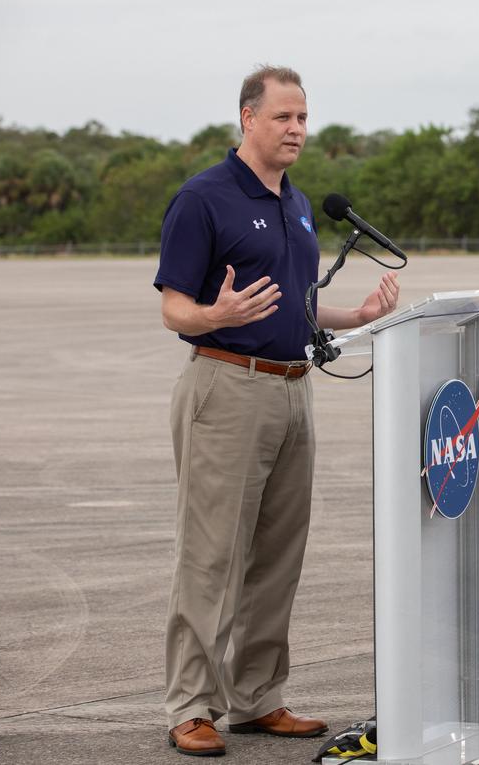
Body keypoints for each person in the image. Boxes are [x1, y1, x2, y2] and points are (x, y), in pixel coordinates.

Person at [154, 65, 400, 757]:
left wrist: (359, 313)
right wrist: (214, 313)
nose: (296, 129)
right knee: (211, 557)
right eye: (284, 117)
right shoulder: (204, 199)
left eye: (303, 117)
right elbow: (174, 304)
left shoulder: (294, 203)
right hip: (227, 386)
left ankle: (256, 696)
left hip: (295, 388)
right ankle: (190, 705)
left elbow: (295, 300)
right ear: (247, 118)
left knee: (277, 556)